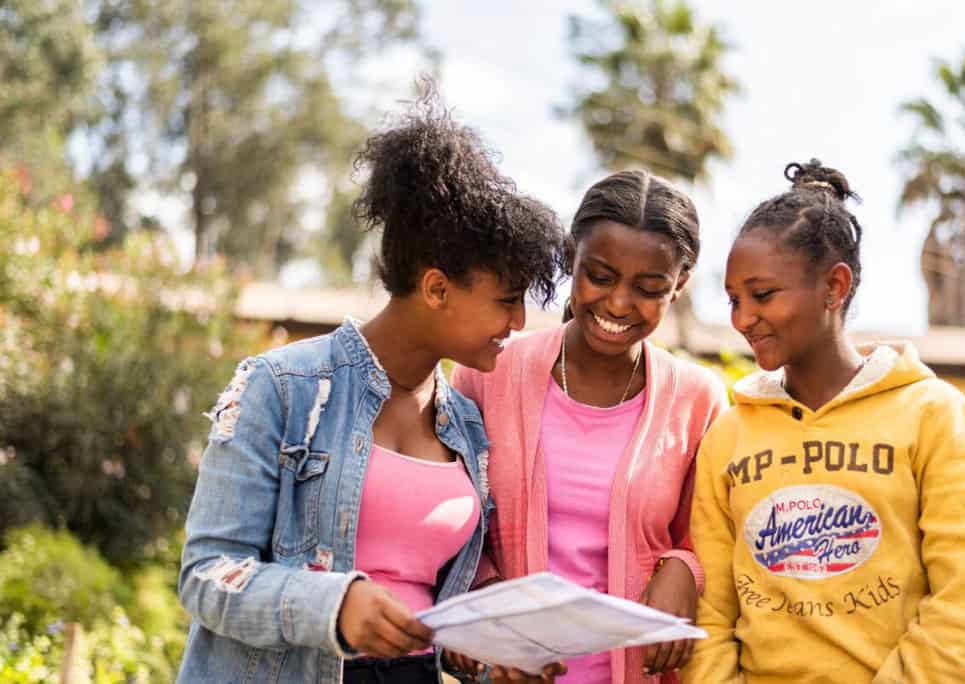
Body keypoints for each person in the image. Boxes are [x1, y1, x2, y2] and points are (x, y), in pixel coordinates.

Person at [175, 84, 565, 684]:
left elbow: (443, 604)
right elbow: (207, 573)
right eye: (505, 302)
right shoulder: (282, 387)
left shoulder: (465, 427)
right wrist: (333, 606)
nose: (517, 323)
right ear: (436, 289)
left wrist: (487, 654)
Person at [682, 160, 965, 683]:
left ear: (834, 286)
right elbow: (712, 614)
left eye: (762, 295)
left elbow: (962, 600)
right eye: (734, 300)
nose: (741, 319)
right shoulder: (728, 437)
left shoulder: (932, 414)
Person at [450, 169, 728, 684]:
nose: (619, 304)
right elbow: (451, 525)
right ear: (572, 258)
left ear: (680, 285)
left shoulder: (698, 400)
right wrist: (486, 600)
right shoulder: (489, 374)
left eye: (649, 288)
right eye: (599, 276)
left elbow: (711, 535)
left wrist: (686, 569)